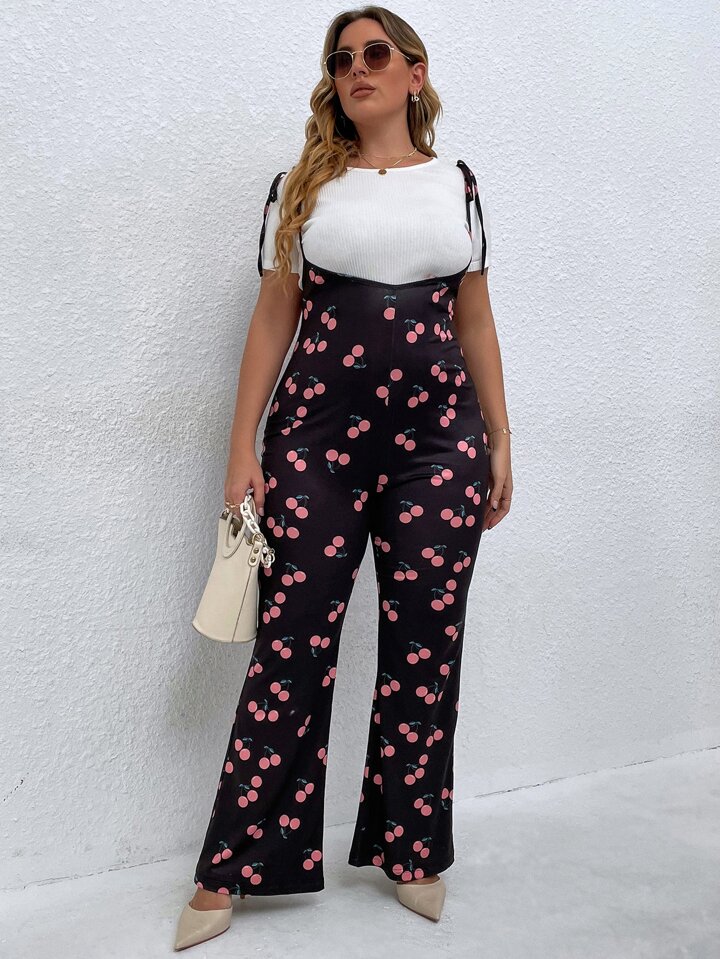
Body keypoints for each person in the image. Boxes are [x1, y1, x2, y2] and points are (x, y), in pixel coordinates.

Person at [175, 6, 512, 950]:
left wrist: (500, 437)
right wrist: (242, 447)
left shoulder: (457, 184)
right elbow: (272, 316)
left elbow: (476, 318)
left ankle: (412, 847)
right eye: (340, 59)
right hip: (315, 444)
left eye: (375, 53)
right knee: (292, 642)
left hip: (441, 448)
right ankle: (232, 866)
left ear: (414, 72)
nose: (356, 68)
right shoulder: (302, 187)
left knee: (426, 646)